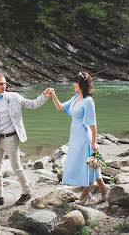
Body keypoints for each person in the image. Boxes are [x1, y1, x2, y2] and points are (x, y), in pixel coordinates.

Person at [0, 73, 52, 208]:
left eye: (5, 83)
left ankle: (26, 192)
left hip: (11, 138)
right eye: (1, 83)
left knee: (16, 167)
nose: (4, 86)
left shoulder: (14, 97)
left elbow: (32, 104)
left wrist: (45, 96)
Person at [50, 71, 110, 205]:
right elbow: (60, 107)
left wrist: (94, 142)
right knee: (92, 165)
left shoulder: (88, 102)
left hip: (84, 138)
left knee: (87, 166)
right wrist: (53, 94)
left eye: (76, 82)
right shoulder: (76, 97)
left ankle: (85, 193)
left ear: (81, 84)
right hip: (75, 137)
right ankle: (103, 188)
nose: (73, 84)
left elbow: (93, 124)